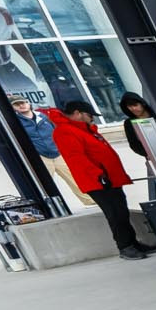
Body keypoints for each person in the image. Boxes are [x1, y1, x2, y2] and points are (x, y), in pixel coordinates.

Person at [44, 101, 145, 258]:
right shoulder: (65, 132)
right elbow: (77, 159)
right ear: (78, 113)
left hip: (109, 178)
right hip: (98, 181)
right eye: (89, 115)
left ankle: (133, 243)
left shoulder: (85, 129)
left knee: (122, 212)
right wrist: (99, 175)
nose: (92, 119)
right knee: (115, 214)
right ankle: (125, 247)